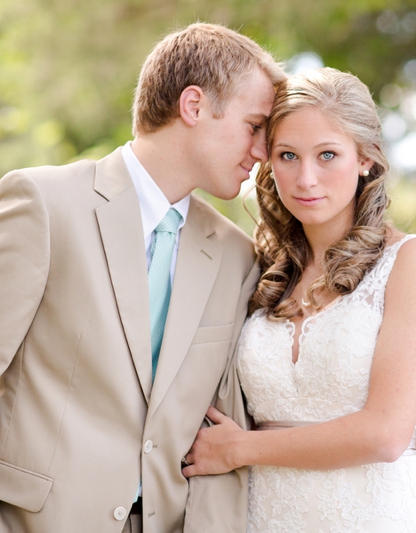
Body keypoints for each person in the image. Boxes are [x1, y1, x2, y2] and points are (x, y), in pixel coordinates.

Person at [0, 23, 285, 533]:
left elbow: (217, 429)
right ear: (193, 106)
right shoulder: (43, 204)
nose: (262, 151)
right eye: (253, 125)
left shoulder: (237, 257)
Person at [181, 67, 416, 532]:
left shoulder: (411, 261)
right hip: (264, 517)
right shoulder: (257, 267)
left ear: (364, 158)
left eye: (328, 155)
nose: (306, 178)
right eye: (287, 155)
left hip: (373, 516)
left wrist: (240, 449)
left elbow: (385, 434)